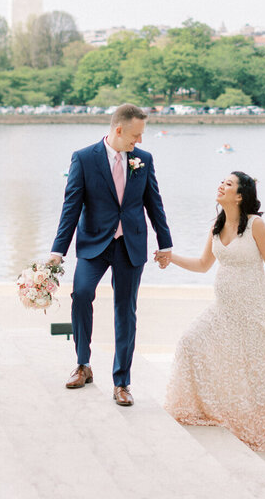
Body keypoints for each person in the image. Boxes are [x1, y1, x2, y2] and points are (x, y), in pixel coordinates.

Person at [159, 171, 265, 473]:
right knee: (189, 342)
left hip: (254, 311)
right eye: (222, 181)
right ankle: (204, 408)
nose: (221, 185)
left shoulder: (256, 226)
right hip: (223, 311)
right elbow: (202, 265)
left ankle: (259, 429)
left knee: (255, 374)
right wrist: (171, 258)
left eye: (229, 184)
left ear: (239, 196)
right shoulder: (217, 225)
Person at [48, 104, 173, 406]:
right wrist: (57, 250)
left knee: (125, 311)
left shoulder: (143, 160)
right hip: (93, 243)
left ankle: (122, 382)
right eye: (136, 134)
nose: (139, 141)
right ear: (119, 130)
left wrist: (165, 244)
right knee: (81, 294)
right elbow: (71, 207)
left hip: (130, 244)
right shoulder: (83, 158)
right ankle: (83, 364)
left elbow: (153, 203)